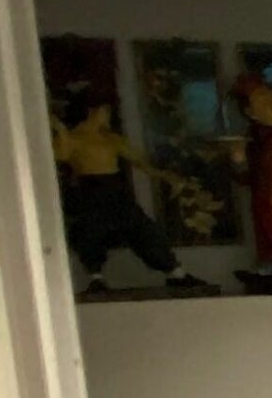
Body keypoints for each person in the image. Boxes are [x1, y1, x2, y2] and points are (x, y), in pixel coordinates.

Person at [49, 94, 209, 295]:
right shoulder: (74, 138)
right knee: (90, 232)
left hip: (115, 189)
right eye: (104, 110)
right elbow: (61, 155)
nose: (107, 115)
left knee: (142, 229)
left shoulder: (111, 138)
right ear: (92, 111)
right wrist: (60, 129)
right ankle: (96, 277)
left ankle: (176, 272)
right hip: (90, 189)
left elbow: (139, 161)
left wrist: (163, 175)